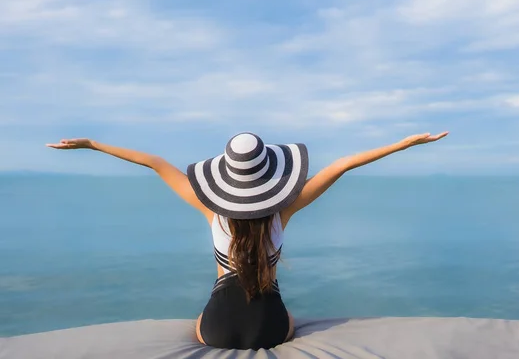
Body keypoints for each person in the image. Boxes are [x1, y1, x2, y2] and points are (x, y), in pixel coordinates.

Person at [46, 130, 448, 350]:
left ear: (225, 179)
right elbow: (342, 165)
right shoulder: (284, 210)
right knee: (285, 316)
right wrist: (404, 143)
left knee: (198, 320)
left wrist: (92, 144)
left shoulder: (209, 208)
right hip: (271, 327)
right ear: (269, 177)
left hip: (218, 327)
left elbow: (153, 162)